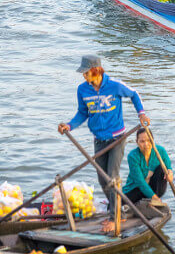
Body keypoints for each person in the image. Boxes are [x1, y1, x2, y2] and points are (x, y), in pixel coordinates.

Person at [58, 55, 150, 233]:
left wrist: (141, 113)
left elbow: (134, 94)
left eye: (86, 72)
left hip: (117, 138)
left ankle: (114, 218)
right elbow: (82, 113)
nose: (84, 76)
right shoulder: (82, 90)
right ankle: (119, 209)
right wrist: (69, 125)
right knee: (102, 179)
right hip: (99, 139)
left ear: (96, 70)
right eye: (83, 73)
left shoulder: (114, 85)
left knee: (112, 177)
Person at [122, 128, 173, 206]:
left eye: (149, 140)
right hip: (136, 189)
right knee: (118, 203)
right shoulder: (132, 156)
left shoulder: (161, 151)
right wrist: (153, 197)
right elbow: (140, 182)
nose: (146, 144)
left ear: (152, 140)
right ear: (137, 142)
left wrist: (169, 173)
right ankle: (151, 199)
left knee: (162, 169)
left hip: (155, 188)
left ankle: (153, 199)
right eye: (142, 141)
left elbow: (169, 167)